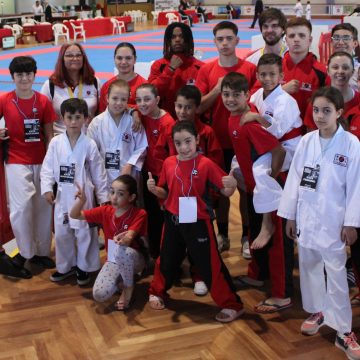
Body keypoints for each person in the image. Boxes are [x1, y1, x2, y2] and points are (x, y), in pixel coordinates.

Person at [277, 86, 360, 360]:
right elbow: (294, 180)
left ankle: (344, 330)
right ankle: (320, 310)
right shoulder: (306, 141)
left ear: (339, 112)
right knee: (310, 267)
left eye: (326, 110)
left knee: (336, 274)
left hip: (335, 222)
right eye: (316, 110)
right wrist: (289, 214)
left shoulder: (351, 144)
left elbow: (356, 187)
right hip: (307, 218)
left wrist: (351, 223)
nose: (320, 116)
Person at [147, 120, 244, 323]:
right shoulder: (169, 163)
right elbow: (165, 191)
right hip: (173, 220)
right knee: (166, 258)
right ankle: (157, 291)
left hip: (198, 222)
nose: (183, 147)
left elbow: (225, 190)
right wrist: (156, 190)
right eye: (178, 143)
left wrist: (232, 185)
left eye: (188, 141)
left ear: (197, 140)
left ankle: (231, 304)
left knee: (209, 264)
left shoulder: (206, 164)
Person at [221, 72, 294, 313]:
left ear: (245, 95)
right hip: (254, 190)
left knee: (277, 243)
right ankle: (257, 274)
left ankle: (282, 295)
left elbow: (279, 152)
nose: (230, 99)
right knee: (255, 231)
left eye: (236, 95)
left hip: (272, 192)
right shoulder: (239, 116)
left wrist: (270, 181)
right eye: (226, 94)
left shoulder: (249, 124)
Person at [196, 21, 257, 252]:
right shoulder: (207, 70)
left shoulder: (249, 70)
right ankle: (222, 234)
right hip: (218, 142)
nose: (224, 43)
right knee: (220, 190)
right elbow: (199, 108)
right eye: (220, 39)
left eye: (228, 38)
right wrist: (216, 90)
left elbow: (255, 104)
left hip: (244, 141)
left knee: (246, 191)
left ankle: (245, 237)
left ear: (237, 41)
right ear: (214, 42)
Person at [41, 98, 108, 285]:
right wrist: (47, 188)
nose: (73, 122)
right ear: (62, 118)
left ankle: (84, 268)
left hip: (83, 196)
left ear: (86, 119)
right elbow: (47, 167)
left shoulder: (89, 144)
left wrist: (103, 198)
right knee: (62, 233)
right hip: (62, 195)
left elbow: (98, 173)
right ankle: (66, 267)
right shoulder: (55, 142)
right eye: (69, 117)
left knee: (85, 233)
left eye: (78, 117)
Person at [0, 56, 56, 277]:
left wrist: (52, 161)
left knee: (43, 207)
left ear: (35, 75)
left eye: (28, 74)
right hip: (15, 160)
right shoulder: (4, 100)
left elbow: (49, 134)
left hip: (41, 160)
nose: (24, 78)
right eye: (19, 75)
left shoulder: (42, 101)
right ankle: (24, 252)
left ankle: (42, 251)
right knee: (21, 208)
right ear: (12, 77)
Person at [244, 53, 302, 249]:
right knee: (238, 163)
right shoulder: (257, 95)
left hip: (288, 147)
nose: (267, 79)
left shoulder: (286, 101)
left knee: (260, 169)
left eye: (272, 74)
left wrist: (256, 118)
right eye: (263, 74)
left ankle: (268, 222)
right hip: (267, 144)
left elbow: (276, 131)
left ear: (281, 77)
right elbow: (247, 108)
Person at [70, 175, 148, 311]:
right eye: (112, 192)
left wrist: (125, 238)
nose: (114, 197)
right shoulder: (105, 211)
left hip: (134, 259)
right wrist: (81, 201)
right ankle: (122, 281)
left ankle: (128, 287)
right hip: (113, 260)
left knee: (122, 251)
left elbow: (130, 236)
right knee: (99, 294)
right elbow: (75, 215)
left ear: (131, 197)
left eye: (120, 194)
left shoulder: (139, 213)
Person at [135, 83, 175, 259]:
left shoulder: (168, 123)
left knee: (164, 217)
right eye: (139, 100)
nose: (142, 104)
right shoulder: (142, 115)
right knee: (152, 217)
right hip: (147, 174)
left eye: (147, 99)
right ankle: (155, 254)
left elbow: (174, 157)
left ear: (157, 100)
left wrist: (168, 183)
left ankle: (167, 256)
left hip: (163, 177)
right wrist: (134, 112)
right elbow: (128, 106)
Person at [87, 79, 148, 192]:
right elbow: (91, 151)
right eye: (115, 98)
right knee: (107, 207)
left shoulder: (133, 121)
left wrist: (130, 164)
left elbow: (142, 147)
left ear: (127, 100)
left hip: (129, 174)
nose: (119, 103)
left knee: (130, 206)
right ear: (107, 98)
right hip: (104, 176)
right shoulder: (96, 123)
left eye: (123, 99)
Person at [41, 43, 101, 136]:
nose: (75, 58)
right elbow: (43, 118)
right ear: (62, 59)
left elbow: (102, 112)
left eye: (78, 55)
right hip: (61, 140)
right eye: (69, 55)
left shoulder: (94, 82)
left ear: (83, 58)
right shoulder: (50, 85)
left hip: (89, 138)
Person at [148, 22, 203, 119]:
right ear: (168, 41)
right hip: (163, 121)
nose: (177, 40)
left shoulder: (200, 67)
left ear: (187, 40)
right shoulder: (159, 65)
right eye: (173, 37)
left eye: (181, 36)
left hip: (191, 123)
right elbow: (150, 93)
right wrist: (169, 70)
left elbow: (203, 100)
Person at [282, 17, 328, 119]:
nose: (296, 39)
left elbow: (329, 105)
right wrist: (281, 90)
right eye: (292, 36)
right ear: (286, 40)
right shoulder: (275, 67)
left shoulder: (321, 71)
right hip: (278, 132)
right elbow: (257, 97)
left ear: (310, 40)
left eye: (302, 35)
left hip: (309, 131)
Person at [304, 52, 360, 130]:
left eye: (345, 68)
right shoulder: (317, 100)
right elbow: (310, 136)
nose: (340, 71)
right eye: (335, 67)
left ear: (353, 72)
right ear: (328, 71)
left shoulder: (358, 100)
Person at [99, 42, 146, 113]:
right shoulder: (106, 86)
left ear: (135, 59)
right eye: (119, 58)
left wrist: (133, 110)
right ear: (114, 59)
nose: (123, 62)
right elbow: (102, 113)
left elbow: (149, 112)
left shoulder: (144, 85)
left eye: (128, 58)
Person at [331, 23, 359, 91]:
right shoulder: (325, 70)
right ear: (331, 42)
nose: (340, 42)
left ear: (355, 43)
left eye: (346, 38)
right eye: (336, 38)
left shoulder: (358, 70)